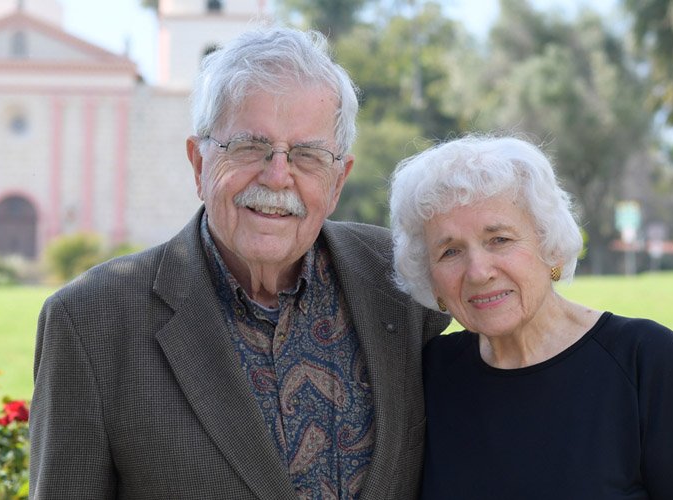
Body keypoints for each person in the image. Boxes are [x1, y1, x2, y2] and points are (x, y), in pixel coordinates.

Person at [29, 26, 451, 498]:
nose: (277, 176)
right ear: (198, 163)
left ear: (337, 182)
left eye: (307, 155)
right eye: (249, 147)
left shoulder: (403, 279)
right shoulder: (91, 322)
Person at [388, 135, 673, 499]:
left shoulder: (643, 358)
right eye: (450, 251)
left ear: (550, 246)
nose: (478, 271)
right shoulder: (431, 373)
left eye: (499, 240)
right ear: (431, 281)